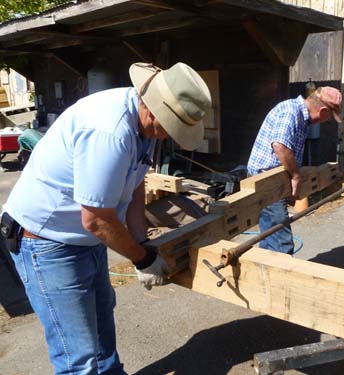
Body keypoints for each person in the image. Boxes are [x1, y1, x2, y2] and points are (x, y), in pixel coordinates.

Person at [0, 62, 212, 375]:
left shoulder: (144, 126)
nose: (169, 136)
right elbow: (97, 220)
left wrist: (142, 242)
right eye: (171, 127)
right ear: (154, 111)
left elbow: (136, 183)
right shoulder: (109, 132)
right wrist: (142, 260)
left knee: (101, 332)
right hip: (47, 242)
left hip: (83, 237)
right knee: (79, 358)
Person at [247, 87, 342, 254]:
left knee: (271, 235)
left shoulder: (301, 118)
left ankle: (266, 271)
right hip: (266, 180)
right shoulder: (291, 111)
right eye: (329, 118)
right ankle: (282, 275)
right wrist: (296, 176)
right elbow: (280, 145)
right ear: (324, 110)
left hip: (275, 179)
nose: (326, 121)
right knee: (281, 243)